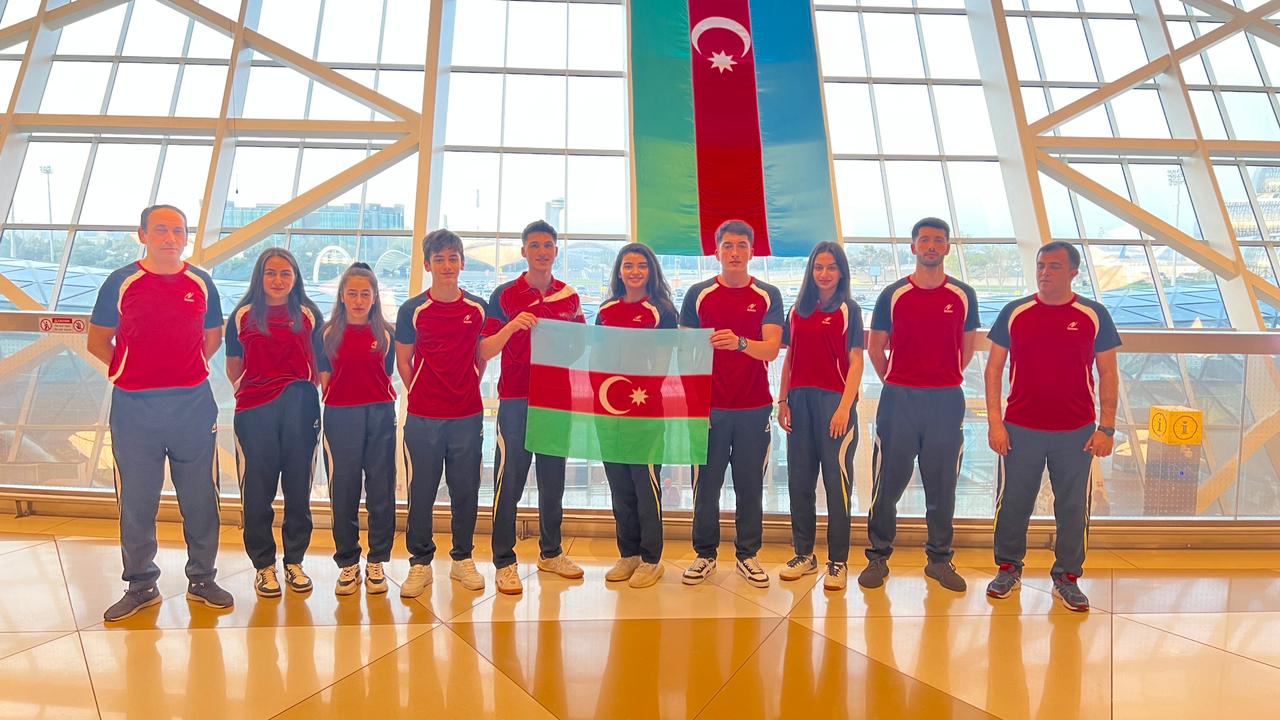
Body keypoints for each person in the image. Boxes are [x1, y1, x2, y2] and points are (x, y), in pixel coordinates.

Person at [89, 204, 233, 621]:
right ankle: (141, 584)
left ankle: (202, 578)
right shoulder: (121, 282)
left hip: (192, 405)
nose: (170, 238)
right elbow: (98, 340)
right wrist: (130, 371)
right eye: (161, 230)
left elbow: (212, 337)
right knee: (137, 500)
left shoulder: (200, 282)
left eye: (178, 230)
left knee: (200, 497)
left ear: (186, 236)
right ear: (143, 235)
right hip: (134, 407)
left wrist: (185, 370)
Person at [984, 241, 1120, 612]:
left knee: (1073, 508)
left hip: (1076, 432)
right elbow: (993, 369)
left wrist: (1106, 428)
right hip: (1020, 429)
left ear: (1074, 272)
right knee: (1013, 504)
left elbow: (1108, 373)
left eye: (1055, 266)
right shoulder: (1015, 312)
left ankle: (1067, 578)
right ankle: (1008, 569)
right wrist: (995, 423)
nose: (1045, 272)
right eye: (1041, 265)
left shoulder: (1093, 314)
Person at [859, 217, 978, 593]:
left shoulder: (962, 294)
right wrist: (897, 380)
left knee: (942, 486)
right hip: (899, 400)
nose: (931, 246)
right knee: (888, 483)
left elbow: (967, 347)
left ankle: (939, 559)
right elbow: (875, 347)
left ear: (947, 248)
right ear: (913, 247)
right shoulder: (893, 294)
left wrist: (942, 377)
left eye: (938, 240)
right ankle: (878, 555)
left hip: (946, 400)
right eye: (924, 240)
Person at [480, 220, 587, 595]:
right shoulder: (505, 295)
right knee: (508, 482)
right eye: (535, 245)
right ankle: (504, 561)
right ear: (524, 251)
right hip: (516, 399)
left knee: (552, 482)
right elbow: (485, 348)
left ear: (556, 251)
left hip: (555, 400)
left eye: (548, 245)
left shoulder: (569, 296)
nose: (542, 251)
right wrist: (512, 326)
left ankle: (551, 552)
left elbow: (581, 346)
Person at [679, 219, 784, 588]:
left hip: (754, 408)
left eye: (742, 246)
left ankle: (747, 554)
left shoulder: (768, 294)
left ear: (752, 252)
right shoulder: (698, 294)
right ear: (717, 251)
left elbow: (771, 349)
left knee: (749, 485)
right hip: (711, 410)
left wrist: (740, 343)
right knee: (706, 486)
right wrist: (695, 406)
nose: (735, 252)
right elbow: (686, 354)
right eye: (728, 246)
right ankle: (705, 554)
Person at [395, 229, 499, 597]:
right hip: (423, 417)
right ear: (427, 265)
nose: (446, 265)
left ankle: (462, 558)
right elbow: (404, 361)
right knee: (421, 491)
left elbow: (481, 357)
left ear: (462, 263)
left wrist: (466, 384)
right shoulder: (412, 310)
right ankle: (420, 562)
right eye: (439, 259)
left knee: (465, 490)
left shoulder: (477, 308)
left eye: (453, 258)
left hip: (466, 416)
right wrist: (421, 392)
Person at [226, 248, 324, 598]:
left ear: (296, 278)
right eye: (271, 273)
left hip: (300, 407)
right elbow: (234, 365)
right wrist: (254, 391)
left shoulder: (309, 314)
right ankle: (264, 565)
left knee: (298, 490)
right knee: (257, 492)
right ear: (260, 276)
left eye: (286, 273)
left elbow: (320, 363)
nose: (278, 280)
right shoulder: (242, 315)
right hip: (255, 410)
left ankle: (294, 561)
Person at [777, 242, 864, 591]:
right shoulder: (797, 311)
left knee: (836, 485)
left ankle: (837, 561)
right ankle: (804, 554)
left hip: (834, 404)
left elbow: (856, 361)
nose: (824, 274)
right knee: (799, 483)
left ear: (841, 272)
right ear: (810, 271)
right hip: (799, 402)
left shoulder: (848, 309)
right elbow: (789, 358)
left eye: (831, 267)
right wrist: (783, 400)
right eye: (818, 267)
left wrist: (844, 407)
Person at [596, 243, 680, 589]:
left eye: (641, 266)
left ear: (651, 271)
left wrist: (634, 397)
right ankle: (628, 553)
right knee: (619, 485)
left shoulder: (663, 311)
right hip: (608, 412)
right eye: (628, 265)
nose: (634, 272)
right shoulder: (605, 310)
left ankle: (650, 558)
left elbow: (661, 367)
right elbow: (598, 358)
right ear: (619, 271)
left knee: (645, 486)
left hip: (644, 411)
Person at [318, 263, 397, 596]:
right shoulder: (327, 333)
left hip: (380, 414)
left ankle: (377, 559)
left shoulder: (386, 333)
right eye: (353, 293)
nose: (359, 300)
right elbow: (324, 377)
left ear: (375, 297)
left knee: (381, 489)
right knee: (344, 490)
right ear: (342, 295)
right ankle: (348, 562)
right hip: (341, 416)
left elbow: (387, 374)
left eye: (365, 294)